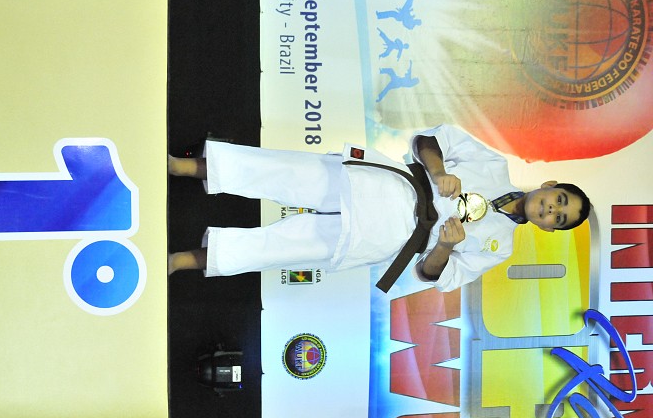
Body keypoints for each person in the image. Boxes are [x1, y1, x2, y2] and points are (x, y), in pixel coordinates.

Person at [167, 124, 591, 292]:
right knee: (282, 171)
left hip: (389, 238)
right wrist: (440, 170)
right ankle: (183, 167)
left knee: (280, 249)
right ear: (549, 185)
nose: (550, 210)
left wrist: (444, 246)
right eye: (559, 200)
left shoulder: (500, 247)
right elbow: (428, 141)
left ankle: (182, 260)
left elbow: (432, 275)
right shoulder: (493, 165)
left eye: (558, 218)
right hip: (386, 185)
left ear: (549, 229)